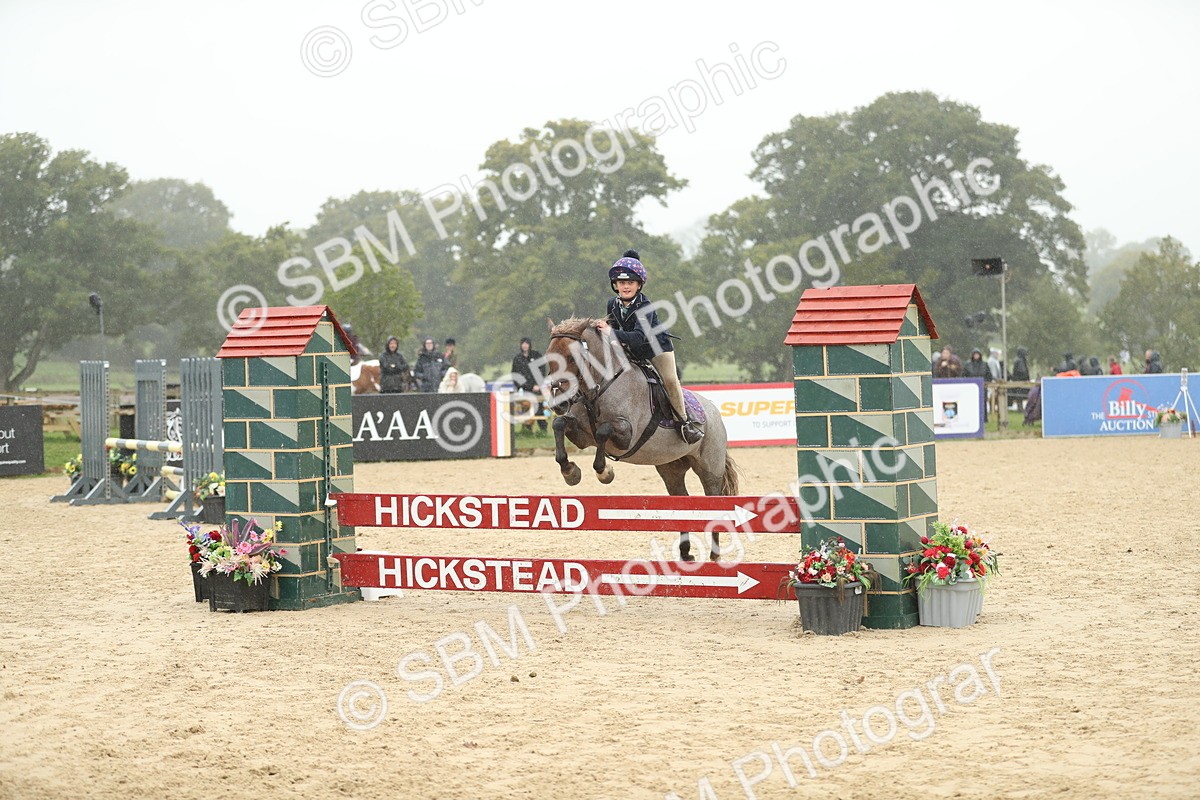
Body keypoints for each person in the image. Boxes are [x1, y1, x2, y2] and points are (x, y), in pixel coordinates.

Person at [593, 249, 703, 443]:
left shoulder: (645, 306)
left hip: (656, 349)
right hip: (630, 349)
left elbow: (637, 337)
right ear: (615, 285)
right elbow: (615, 331)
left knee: (670, 380)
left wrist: (610, 332)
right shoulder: (612, 304)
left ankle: (685, 422)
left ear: (639, 285)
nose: (625, 287)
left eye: (630, 283)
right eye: (621, 283)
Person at [511, 337, 547, 432]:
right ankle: (527, 431)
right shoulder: (517, 359)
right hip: (524, 389)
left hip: (536, 388)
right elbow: (515, 374)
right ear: (520, 345)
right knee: (526, 409)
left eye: (526, 343)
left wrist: (537, 384)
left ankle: (543, 430)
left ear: (529, 345)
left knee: (539, 409)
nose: (525, 345)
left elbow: (542, 370)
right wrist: (518, 387)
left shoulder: (536, 355)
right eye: (523, 343)